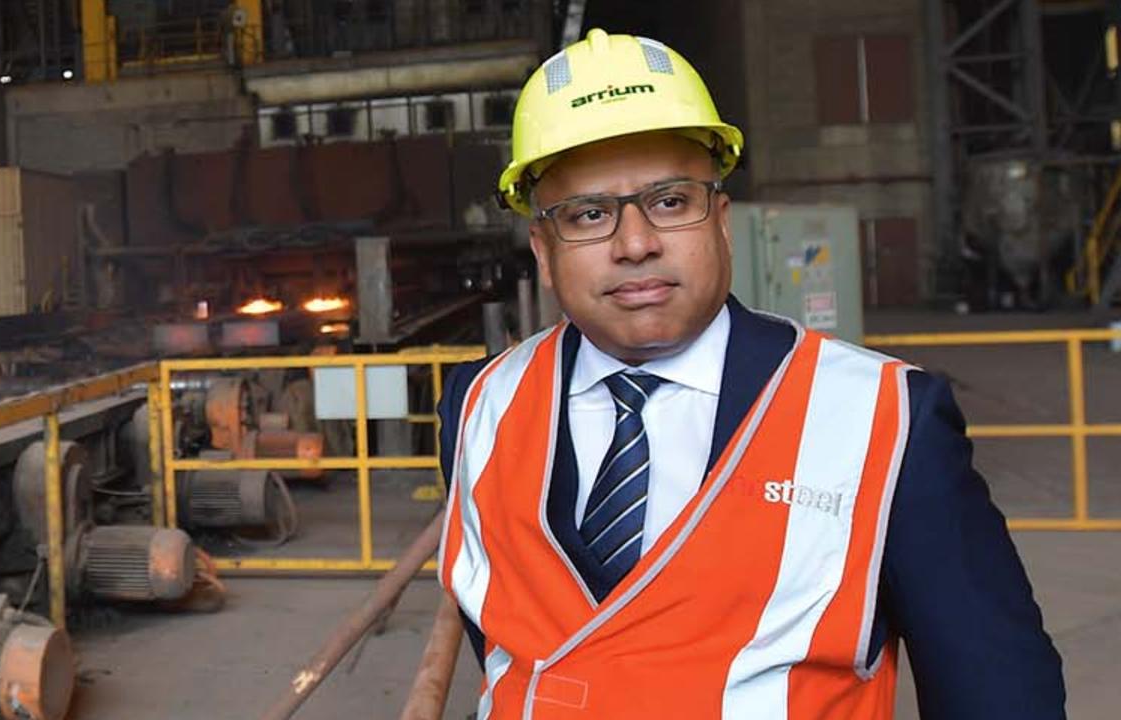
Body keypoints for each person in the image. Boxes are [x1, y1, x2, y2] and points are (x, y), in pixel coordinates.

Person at [435, 28, 1064, 719]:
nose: (636, 244)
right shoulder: (478, 406)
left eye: (671, 201)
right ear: (544, 252)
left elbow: (999, 693)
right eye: (589, 214)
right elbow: (506, 641)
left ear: (721, 222)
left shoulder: (885, 422)